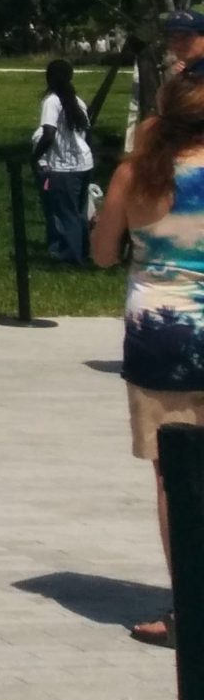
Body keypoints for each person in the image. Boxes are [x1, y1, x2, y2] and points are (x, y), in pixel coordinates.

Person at [92, 62, 204, 646]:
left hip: (162, 335)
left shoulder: (135, 175)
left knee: (175, 478)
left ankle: (189, 606)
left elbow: (105, 253)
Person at [34, 58, 96, 265]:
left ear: (49, 77)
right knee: (79, 212)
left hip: (64, 165)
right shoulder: (76, 101)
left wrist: (35, 156)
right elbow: (87, 131)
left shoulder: (52, 101)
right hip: (84, 162)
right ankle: (84, 251)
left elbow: (49, 133)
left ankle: (71, 257)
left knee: (65, 213)